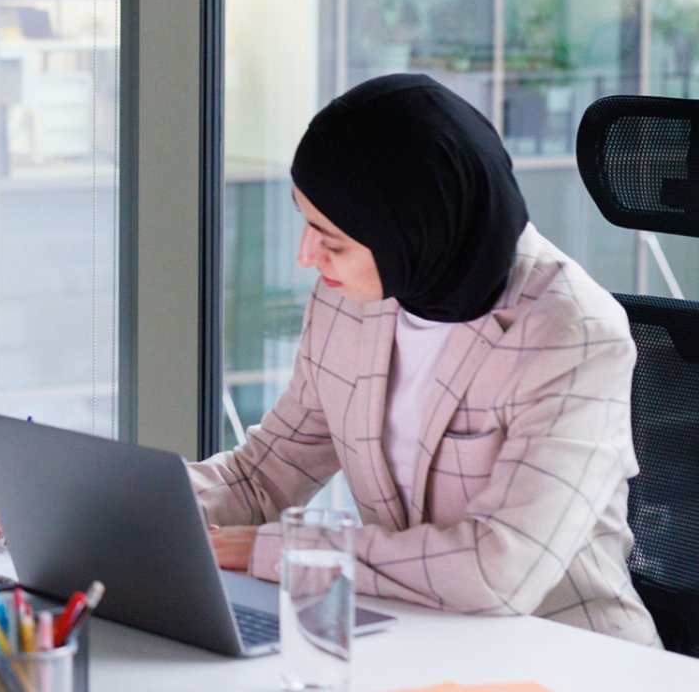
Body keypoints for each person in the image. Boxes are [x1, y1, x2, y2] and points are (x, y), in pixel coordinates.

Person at [190, 74, 659, 645]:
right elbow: (262, 476)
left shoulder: (572, 334)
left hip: (560, 654)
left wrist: (277, 551)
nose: (306, 256)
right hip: (415, 641)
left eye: (331, 239)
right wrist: (141, 511)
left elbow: (497, 570)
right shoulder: (353, 297)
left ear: (409, 232)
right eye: (306, 222)